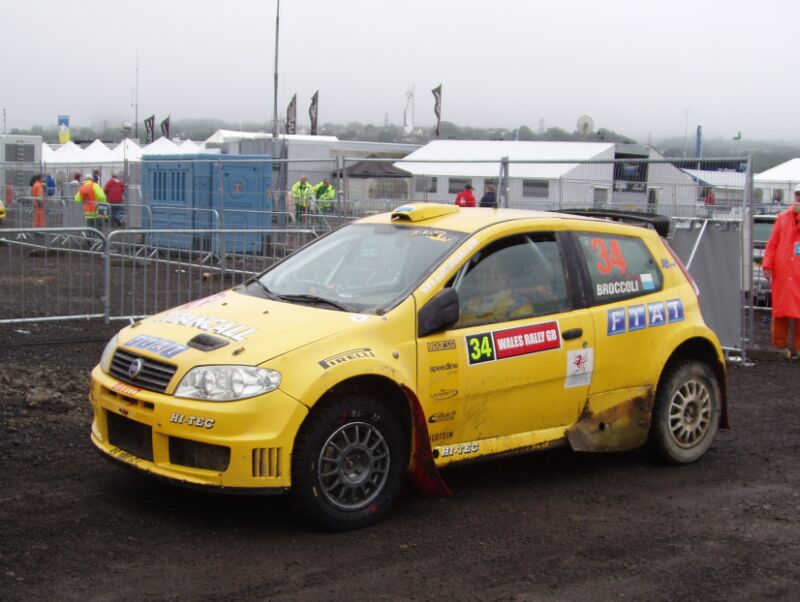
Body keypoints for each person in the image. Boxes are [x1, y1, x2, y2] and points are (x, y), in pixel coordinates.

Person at [762, 184, 800, 359]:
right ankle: (779, 347)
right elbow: (772, 244)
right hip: (783, 273)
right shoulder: (782, 217)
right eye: (797, 195)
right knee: (781, 311)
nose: (798, 199)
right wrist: (767, 265)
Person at [458, 264, 532, 325]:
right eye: (479, 272)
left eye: (488, 272)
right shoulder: (466, 306)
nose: (479, 276)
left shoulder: (518, 306)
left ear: (503, 278)